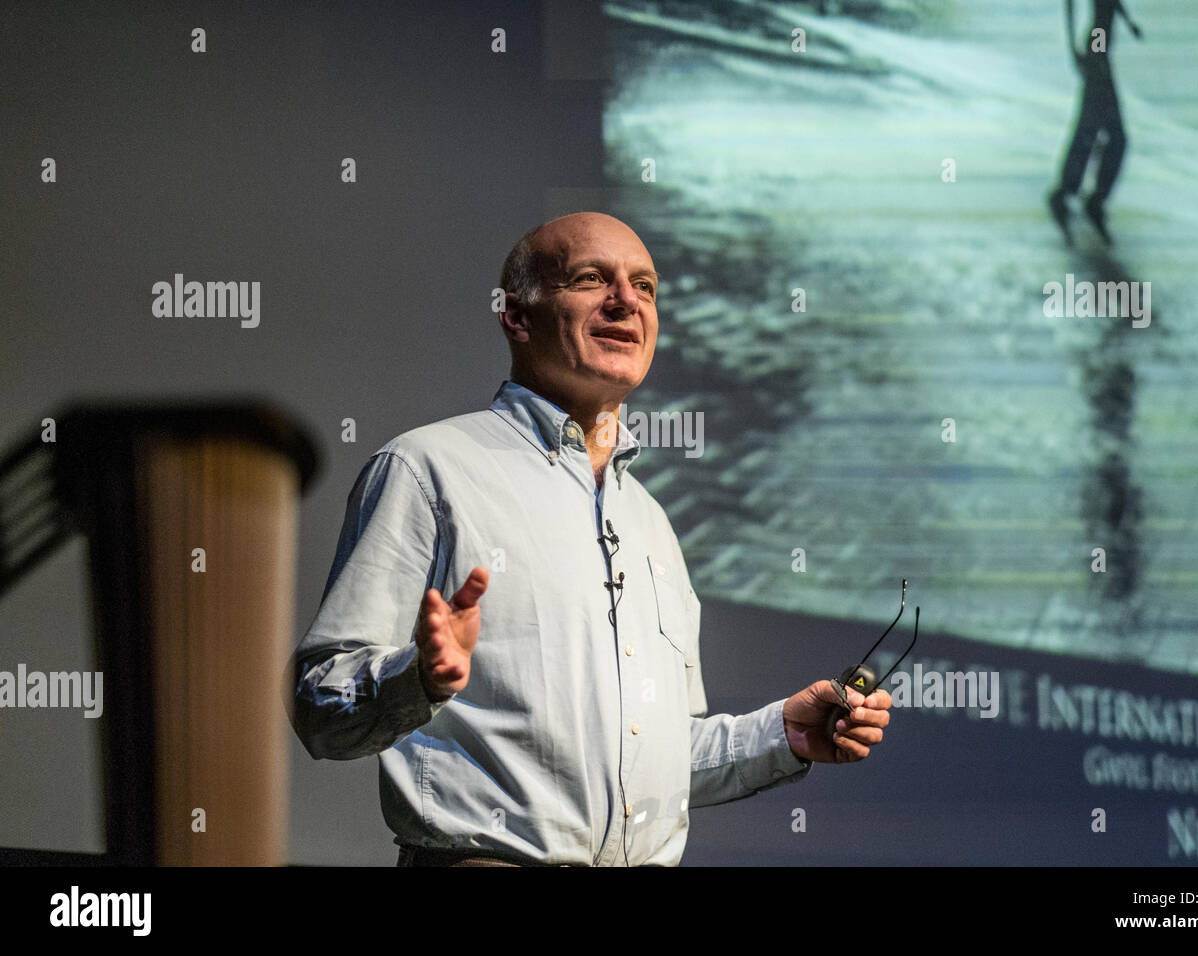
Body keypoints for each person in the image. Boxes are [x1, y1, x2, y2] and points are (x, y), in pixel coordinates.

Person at [289, 212, 893, 866]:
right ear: (517, 317)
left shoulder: (652, 524)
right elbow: (322, 704)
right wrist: (421, 681)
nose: (626, 301)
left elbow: (654, 758)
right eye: (590, 280)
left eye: (645, 287)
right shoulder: (429, 470)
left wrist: (783, 736)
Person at [1047, 0, 1144, 245]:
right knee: (1111, 134)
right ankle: (1084, 197)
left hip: (1099, 54)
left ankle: (1073, 193)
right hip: (1098, 53)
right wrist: (1090, 56)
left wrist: (1129, 22)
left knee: (1092, 129)